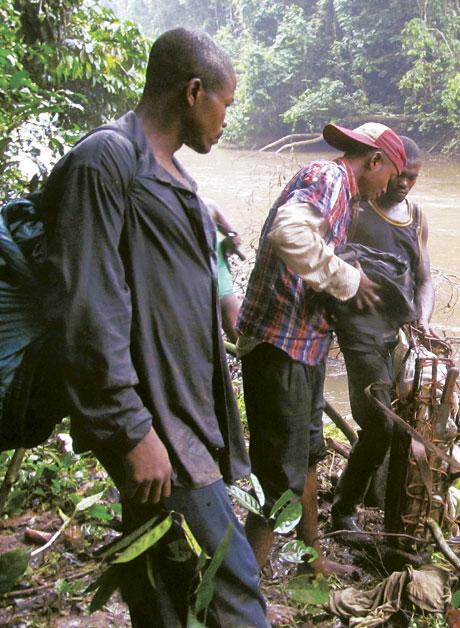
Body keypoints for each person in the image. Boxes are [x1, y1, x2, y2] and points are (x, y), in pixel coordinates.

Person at [38, 29, 269, 627]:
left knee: (163, 584)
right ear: (194, 92)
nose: (226, 122)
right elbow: (87, 304)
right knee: (232, 581)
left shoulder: (168, 172)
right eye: (226, 105)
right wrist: (130, 427)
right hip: (156, 423)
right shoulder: (105, 160)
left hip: (187, 415)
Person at [235, 122, 405, 575]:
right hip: (280, 346)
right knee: (278, 478)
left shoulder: (342, 196)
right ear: (374, 161)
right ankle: (239, 596)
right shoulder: (328, 178)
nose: (389, 185)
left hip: (303, 346)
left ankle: (311, 559)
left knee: (308, 456)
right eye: (390, 174)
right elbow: (289, 234)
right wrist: (350, 280)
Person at [329, 136, 434, 533]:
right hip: (359, 334)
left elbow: (424, 279)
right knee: (380, 423)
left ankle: (380, 494)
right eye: (400, 175)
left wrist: (422, 318)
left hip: (400, 334)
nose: (405, 183)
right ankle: (343, 509)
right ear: (384, 167)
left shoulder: (416, 216)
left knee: (411, 419)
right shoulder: (356, 208)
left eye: (413, 177)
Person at [204, 197, 242, 343]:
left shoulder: (173, 210)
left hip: (195, 285)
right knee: (239, 339)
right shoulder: (210, 206)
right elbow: (236, 239)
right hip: (222, 282)